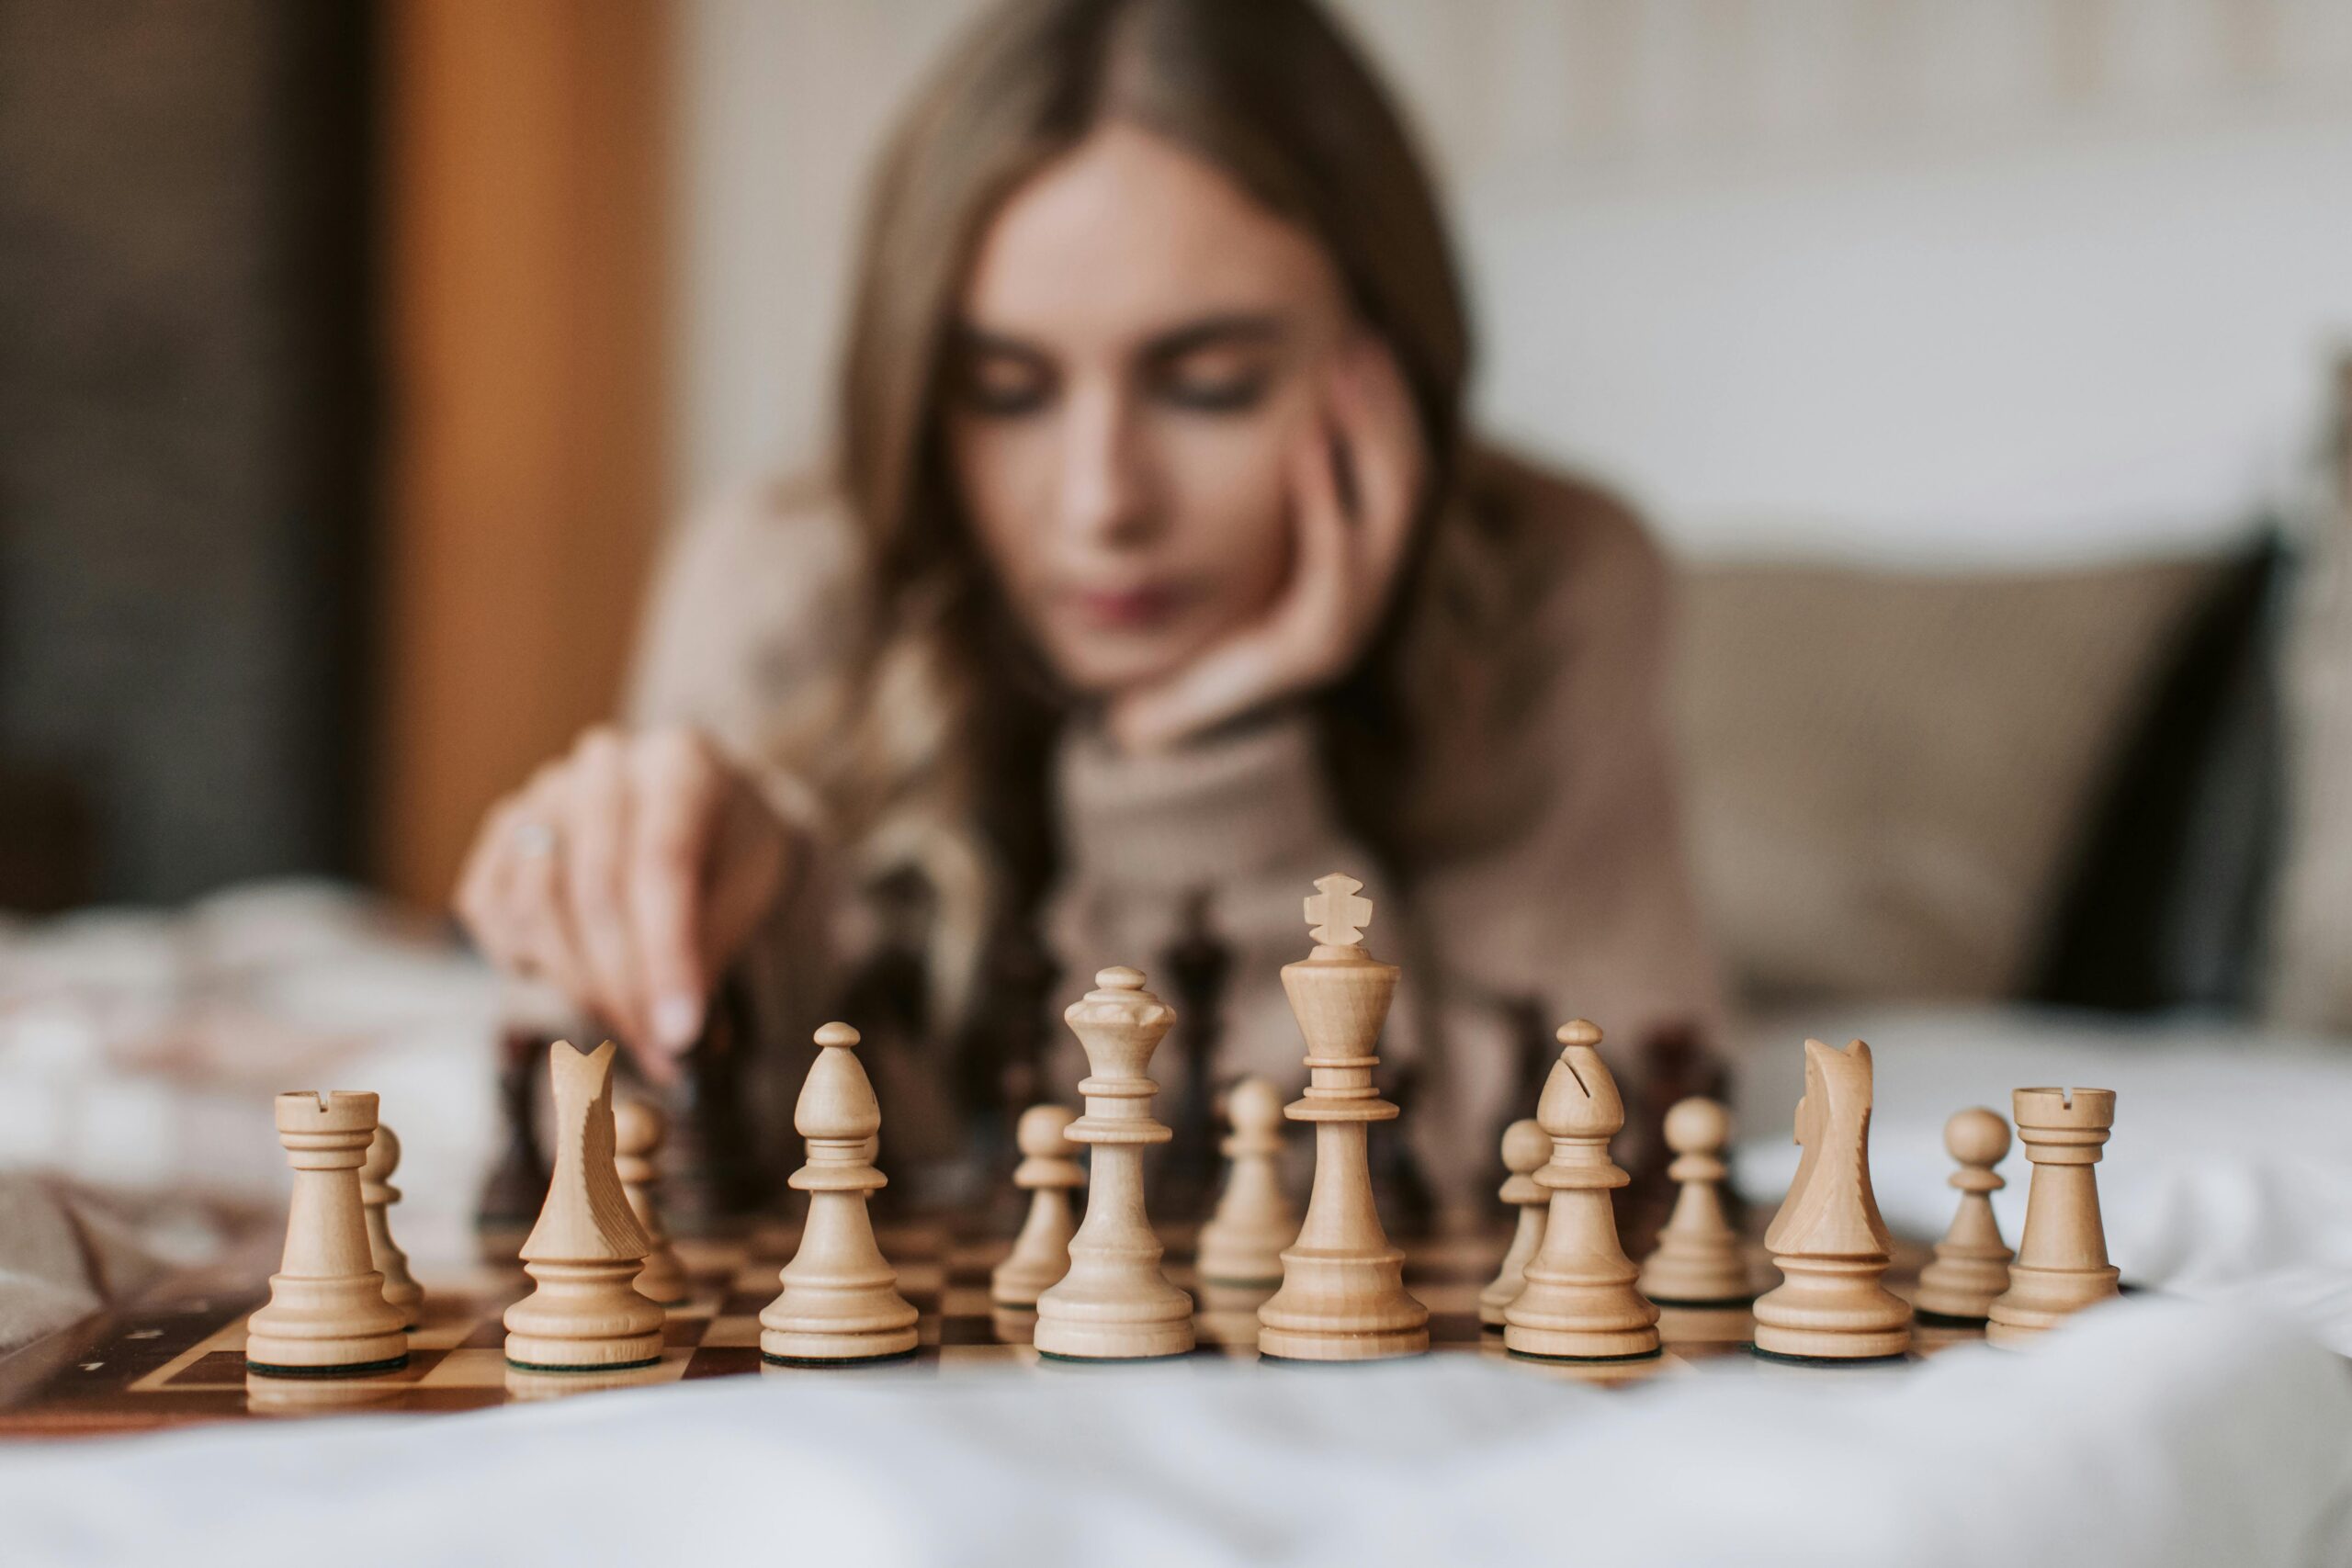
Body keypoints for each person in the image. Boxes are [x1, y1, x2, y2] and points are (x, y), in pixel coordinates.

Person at [454, 0, 1721, 1219]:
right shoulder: (783, 577)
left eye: (1211, 386)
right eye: (1006, 392)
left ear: (1392, 354)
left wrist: (1208, 763)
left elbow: (1573, 1165)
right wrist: (715, 932)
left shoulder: (1554, 576)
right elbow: (659, 1142)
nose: (1101, 502)